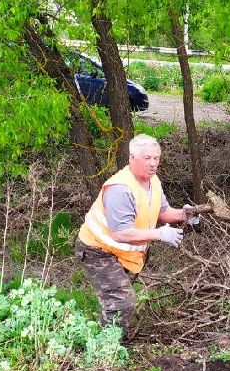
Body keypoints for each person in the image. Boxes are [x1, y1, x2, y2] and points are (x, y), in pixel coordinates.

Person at [75, 134, 197, 333]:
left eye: (156, 158)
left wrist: (185, 214)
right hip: (97, 250)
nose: (153, 163)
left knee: (115, 301)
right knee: (121, 303)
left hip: (121, 253)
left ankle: (104, 339)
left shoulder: (153, 181)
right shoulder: (121, 189)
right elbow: (120, 234)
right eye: (147, 158)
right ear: (132, 158)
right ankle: (107, 349)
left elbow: (163, 212)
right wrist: (159, 235)